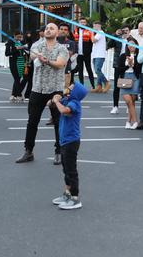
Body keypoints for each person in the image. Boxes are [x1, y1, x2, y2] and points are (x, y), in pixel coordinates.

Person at [16, 23, 69, 165]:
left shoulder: (62, 49)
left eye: (52, 28)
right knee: (32, 122)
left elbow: (60, 63)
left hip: (55, 90)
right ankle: (28, 151)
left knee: (58, 123)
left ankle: (59, 151)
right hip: (37, 88)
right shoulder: (36, 45)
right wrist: (38, 57)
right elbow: (33, 56)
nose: (48, 30)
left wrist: (48, 61)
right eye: (46, 28)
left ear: (57, 33)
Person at [51, 82, 88, 210]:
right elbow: (50, 104)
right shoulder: (67, 100)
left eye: (71, 88)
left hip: (71, 142)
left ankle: (75, 198)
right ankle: (67, 194)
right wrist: (56, 99)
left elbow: (64, 110)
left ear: (75, 93)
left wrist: (57, 102)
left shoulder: (74, 103)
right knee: (66, 169)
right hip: (64, 141)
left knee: (71, 171)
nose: (68, 88)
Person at [117, 38, 141, 129]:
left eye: (133, 44)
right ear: (127, 46)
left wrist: (133, 65)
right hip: (125, 78)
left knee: (132, 101)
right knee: (128, 100)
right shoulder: (123, 56)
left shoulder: (139, 56)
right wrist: (128, 65)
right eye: (129, 44)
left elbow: (139, 70)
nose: (131, 46)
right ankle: (135, 121)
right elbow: (119, 69)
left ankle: (129, 121)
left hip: (135, 78)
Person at [107, 26, 129, 115]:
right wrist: (115, 34)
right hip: (118, 65)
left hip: (128, 66)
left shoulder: (132, 41)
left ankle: (129, 106)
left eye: (127, 31)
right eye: (123, 30)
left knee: (127, 86)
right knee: (117, 86)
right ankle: (115, 106)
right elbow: (109, 45)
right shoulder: (117, 38)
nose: (125, 32)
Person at [6, 32, 28, 103]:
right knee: (16, 78)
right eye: (18, 37)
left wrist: (24, 48)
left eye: (21, 37)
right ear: (14, 36)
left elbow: (26, 51)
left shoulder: (22, 41)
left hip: (22, 61)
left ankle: (13, 94)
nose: (20, 39)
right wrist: (17, 48)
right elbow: (7, 53)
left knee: (20, 78)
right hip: (14, 62)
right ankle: (19, 94)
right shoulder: (10, 42)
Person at [74, 18, 95, 89]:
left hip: (86, 54)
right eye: (81, 22)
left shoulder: (89, 31)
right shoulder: (75, 31)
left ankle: (93, 85)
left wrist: (89, 51)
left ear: (86, 23)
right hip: (79, 54)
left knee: (89, 69)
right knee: (80, 70)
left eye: (84, 22)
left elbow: (92, 42)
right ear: (79, 23)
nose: (83, 23)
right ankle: (82, 86)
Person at [91, 21, 109, 93]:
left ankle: (106, 83)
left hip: (100, 55)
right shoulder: (98, 33)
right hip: (95, 54)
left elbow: (93, 40)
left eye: (95, 26)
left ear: (99, 26)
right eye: (93, 26)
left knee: (97, 70)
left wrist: (92, 33)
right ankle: (99, 86)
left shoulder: (100, 32)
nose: (94, 28)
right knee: (98, 70)